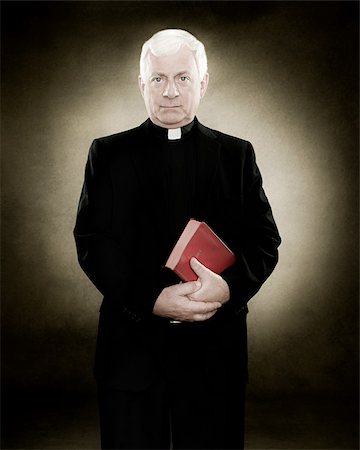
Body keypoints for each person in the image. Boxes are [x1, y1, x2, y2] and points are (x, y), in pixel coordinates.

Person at [74, 28, 281, 450]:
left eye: (183, 78)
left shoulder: (236, 155)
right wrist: (150, 298)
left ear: (202, 83)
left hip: (214, 354)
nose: (170, 92)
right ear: (141, 85)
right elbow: (93, 242)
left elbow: (263, 240)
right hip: (130, 354)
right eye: (158, 79)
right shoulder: (108, 154)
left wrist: (227, 289)